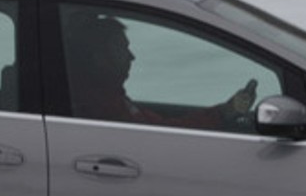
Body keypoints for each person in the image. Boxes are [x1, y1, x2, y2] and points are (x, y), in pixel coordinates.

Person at [64, 11, 258, 130]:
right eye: (121, 49)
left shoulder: (105, 96)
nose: (132, 57)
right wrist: (224, 112)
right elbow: (166, 134)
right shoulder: (104, 106)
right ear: (99, 59)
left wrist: (225, 111)